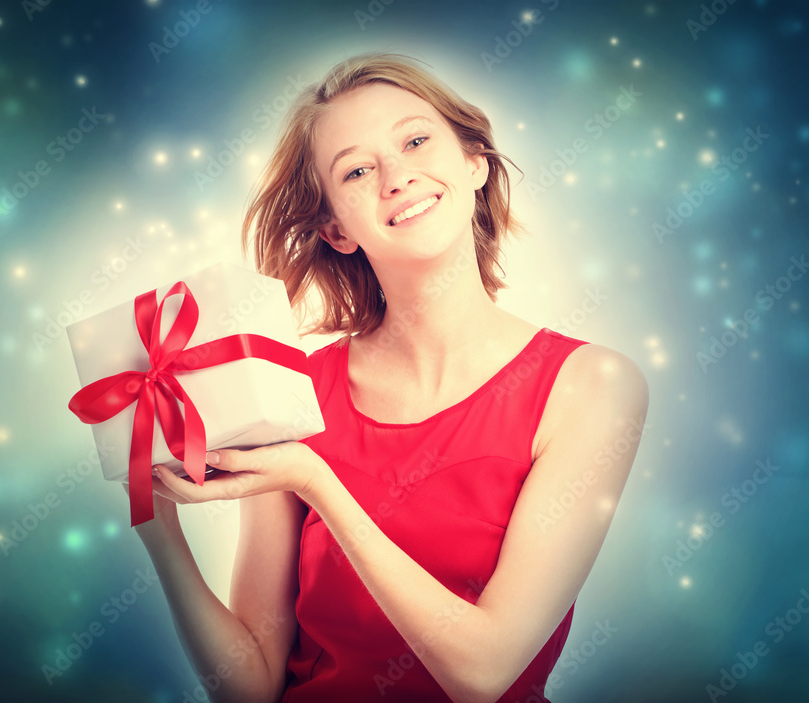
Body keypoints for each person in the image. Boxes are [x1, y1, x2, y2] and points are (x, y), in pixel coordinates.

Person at [127, 52, 649, 703]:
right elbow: (252, 686)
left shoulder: (592, 385)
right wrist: (157, 526)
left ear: (475, 162)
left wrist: (318, 482)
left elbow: (485, 672)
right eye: (357, 169)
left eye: (415, 139)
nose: (397, 175)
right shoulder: (292, 390)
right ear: (335, 228)